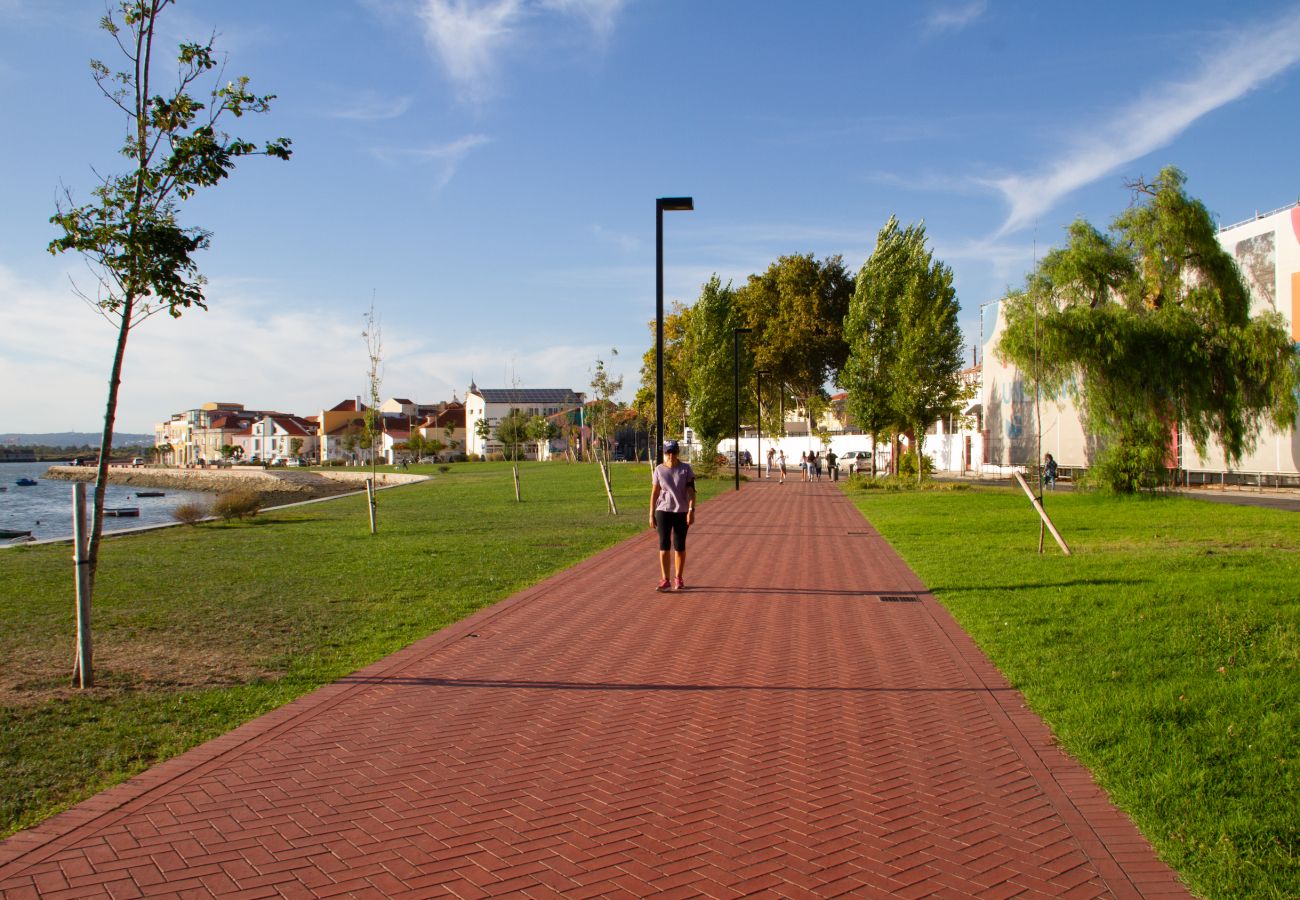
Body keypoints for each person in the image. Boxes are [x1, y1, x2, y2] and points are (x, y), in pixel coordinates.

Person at [649, 439, 696, 591]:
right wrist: (651, 514)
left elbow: (691, 491)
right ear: (664, 453)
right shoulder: (659, 470)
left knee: (680, 546)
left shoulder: (685, 469)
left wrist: (691, 510)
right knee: (664, 545)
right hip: (663, 510)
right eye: (668, 452)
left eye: (673, 452)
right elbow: (655, 492)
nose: (671, 455)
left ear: (677, 453)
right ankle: (665, 579)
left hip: (681, 511)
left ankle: (679, 578)